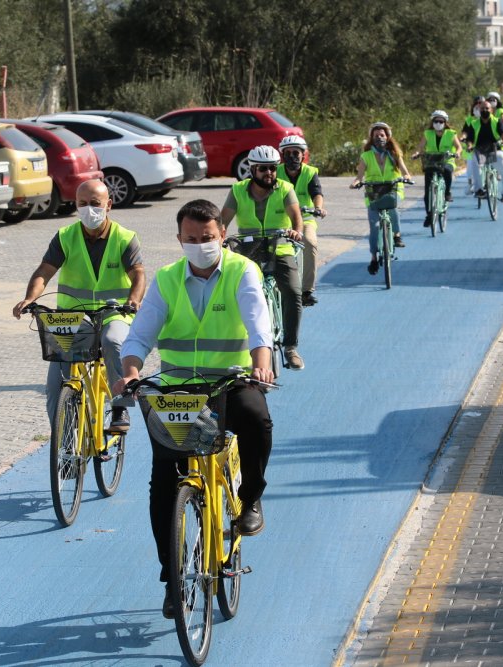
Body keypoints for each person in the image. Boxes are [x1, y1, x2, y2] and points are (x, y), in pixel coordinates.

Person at [113, 199, 275, 619]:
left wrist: (262, 361)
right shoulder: (167, 279)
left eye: (208, 238)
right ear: (179, 239)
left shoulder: (242, 271)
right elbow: (141, 332)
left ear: (222, 235)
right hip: (180, 392)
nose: (200, 245)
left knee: (257, 420)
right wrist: (130, 371)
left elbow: (258, 319)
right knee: (164, 483)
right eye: (191, 239)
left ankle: (251, 497)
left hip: (233, 382)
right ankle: (172, 578)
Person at [12, 179, 145, 431]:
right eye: (82, 204)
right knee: (55, 383)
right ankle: (62, 439)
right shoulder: (65, 236)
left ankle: (120, 406)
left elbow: (138, 273)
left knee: (114, 341)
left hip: (113, 314)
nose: (88, 209)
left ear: (109, 205)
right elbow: (44, 271)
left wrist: (133, 300)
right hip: (73, 317)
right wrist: (30, 298)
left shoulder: (125, 238)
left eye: (95, 203)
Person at [221, 145, 305, 371]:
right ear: (252, 170)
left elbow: (297, 218)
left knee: (293, 292)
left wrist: (297, 231)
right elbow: (222, 222)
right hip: (249, 253)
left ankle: (290, 347)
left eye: (272, 168)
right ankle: (241, 345)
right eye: (263, 169)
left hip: (280, 250)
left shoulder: (285, 188)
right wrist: (217, 238)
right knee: (238, 295)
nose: (269, 173)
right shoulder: (238, 190)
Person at [350, 121, 413, 273]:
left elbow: (405, 171)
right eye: (376, 135)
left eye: (382, 135)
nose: (379, 138)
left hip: (392, 188)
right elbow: (359, 176)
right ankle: (373, 258)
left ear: (388, 137)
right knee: (375, 227)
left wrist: (407, 177)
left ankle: (397, 235)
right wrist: (356, 183)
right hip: (374, 192)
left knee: (392, 209)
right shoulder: (366, 156)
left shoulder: (395, 154)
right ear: (371, 138)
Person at [276, 135, 327, 307]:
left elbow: (317, 193)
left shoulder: (310, 172)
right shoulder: (276, 172)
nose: (292, 157)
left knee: (310, 243)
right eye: (288, 153)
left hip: (305, 218)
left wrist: (318, 208)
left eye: (296, 153)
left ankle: (307, 291)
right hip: (281, 219)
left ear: (303, 154)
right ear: (282, 155)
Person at [411, 110, 462, 227]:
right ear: (432, 122)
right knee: (427, 190)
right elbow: (420, 147)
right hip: (431, 160)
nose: (438, 123)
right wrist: (416, 153)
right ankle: (429, 215)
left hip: (446, 159)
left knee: (448, 171)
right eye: (436, 121)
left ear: (445, 122)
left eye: (441, 121)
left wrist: (458, 153)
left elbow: (458, 147)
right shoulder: (427, 133)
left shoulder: (451, 133)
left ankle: (447, 192)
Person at [461, 98, 503, 207]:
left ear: (491, 110)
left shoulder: (497, 121)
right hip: (481, 151)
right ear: (479, 111)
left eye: (487, 108)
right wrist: (469, 146)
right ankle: (479, 189)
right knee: (476, 162)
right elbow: (470, 139)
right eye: (482, 108)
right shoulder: (474, 123)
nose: (484, 110)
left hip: (495, 150)